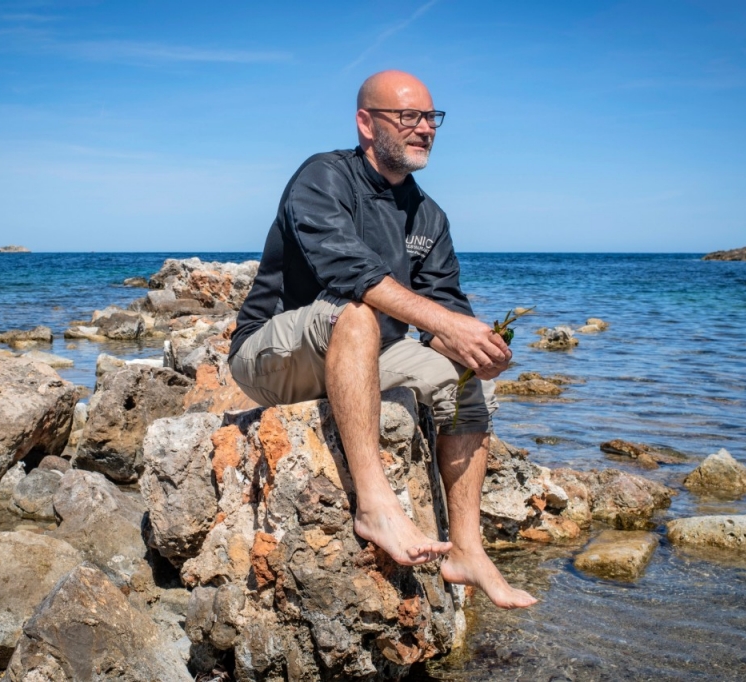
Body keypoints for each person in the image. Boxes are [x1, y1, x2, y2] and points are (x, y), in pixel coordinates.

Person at [228, 70, 537, 609]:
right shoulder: (322, 178)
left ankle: (466, 550)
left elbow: (444, 313)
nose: (425, 129)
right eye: (408, 117)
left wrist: (473, 349)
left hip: (369, 355)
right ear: (366, 123)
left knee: (463, 382)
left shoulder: (429, 215)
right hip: (273, 355)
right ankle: (374, 505)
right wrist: (445, 325)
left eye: (431, 118)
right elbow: (351, 273)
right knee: (356, 309)